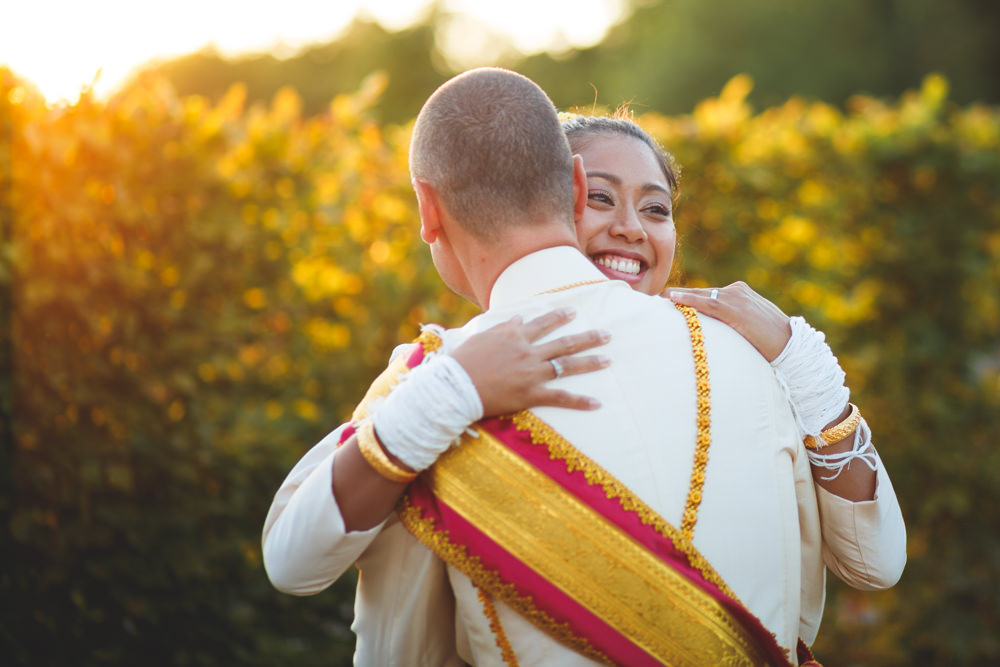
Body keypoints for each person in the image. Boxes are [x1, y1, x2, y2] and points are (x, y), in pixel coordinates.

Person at [263, 69, 905, 665]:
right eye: (602, 198)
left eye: (656, 209)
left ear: (429, 210)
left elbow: (364, 620)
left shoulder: (433, 383)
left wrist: (808, 365)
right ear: (563, 190)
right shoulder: (747, 361)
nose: (630, 228)